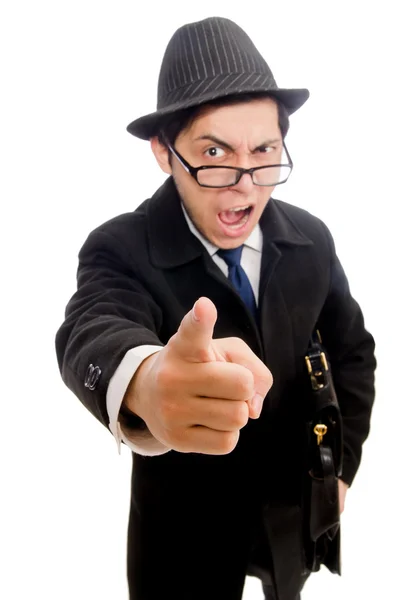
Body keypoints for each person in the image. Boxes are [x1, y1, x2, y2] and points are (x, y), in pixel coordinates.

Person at [55, 16, 376, 600]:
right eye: (213, 152)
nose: (246, 186)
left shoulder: (312, 238)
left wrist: (340, 473)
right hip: (183, 535)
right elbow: (92, 326)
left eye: (264, 151)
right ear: (163, 152)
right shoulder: (119, 247)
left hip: (292, 512)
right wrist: (145, 381)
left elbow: (353, 356)